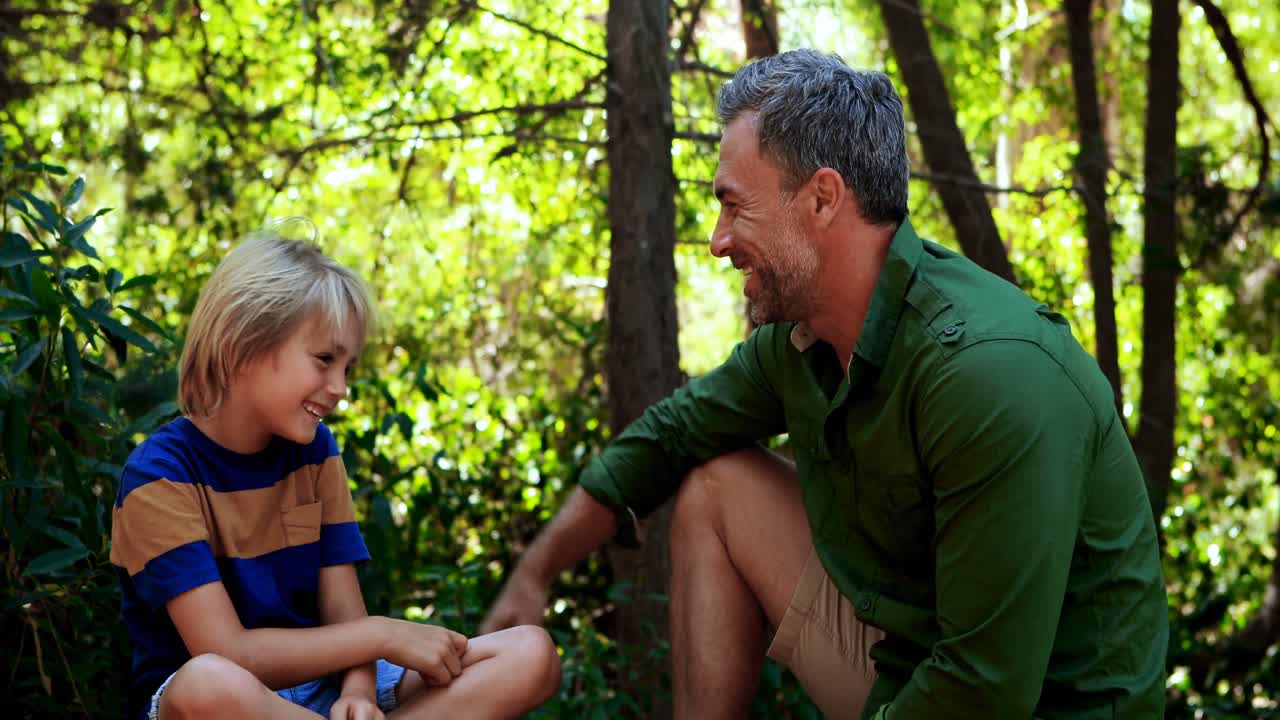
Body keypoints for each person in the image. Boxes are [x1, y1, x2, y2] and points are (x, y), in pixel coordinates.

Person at [482, 49, 1167, 719]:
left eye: (734, 205)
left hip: (1022, 701)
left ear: (822, 198)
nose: (717, 241)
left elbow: (986, 689)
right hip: (905, 665)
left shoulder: (988, 371)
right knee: (715, 487)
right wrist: (535, 572)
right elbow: (669, 438)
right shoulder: (800, 340)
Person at [111, 228, 560, 720]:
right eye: (324, 359)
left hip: (322, 690)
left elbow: (345, 612)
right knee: (208, 682)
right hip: (227, 699)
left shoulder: (315, 452)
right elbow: (228, 650)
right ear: (242, 344)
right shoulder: (159, 475)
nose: (341, 387)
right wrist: (385, 634)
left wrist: (360, 693)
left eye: (348, 366)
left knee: (529, 654)